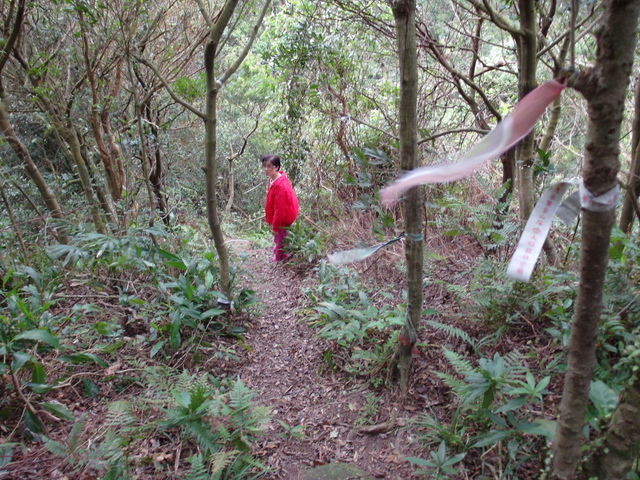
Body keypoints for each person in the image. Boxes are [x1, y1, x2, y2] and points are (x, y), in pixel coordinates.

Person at [262, 154, 299, 262]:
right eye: (264, 166)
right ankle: (282, 256)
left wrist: (275, 226)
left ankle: (279, 259)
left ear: (277, 167)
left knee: (280, 238)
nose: (266, 169)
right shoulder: (272, 179)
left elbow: (280, 209)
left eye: (269, 166)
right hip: (279, 215)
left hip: (284, 216)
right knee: (281, 237)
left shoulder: (280, 185)